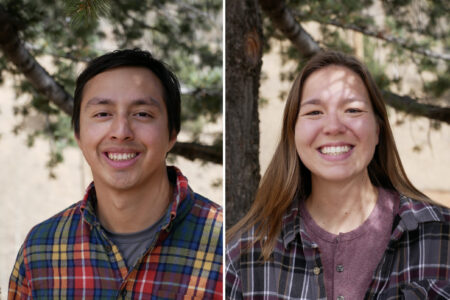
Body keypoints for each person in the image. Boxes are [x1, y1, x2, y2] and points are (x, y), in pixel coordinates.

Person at [226, 51, 450, 299]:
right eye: (314, 112)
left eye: (353, 110)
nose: (333, 127)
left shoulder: (442, 236)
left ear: (377, 129)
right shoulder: (242, 257)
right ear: (293, 133)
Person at [9, 49, 223, 299]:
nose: (121, 132)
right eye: (102, 114)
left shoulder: (224, 245)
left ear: (172, 133)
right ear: (78, 134)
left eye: (142, 114)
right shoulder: (40, 251)